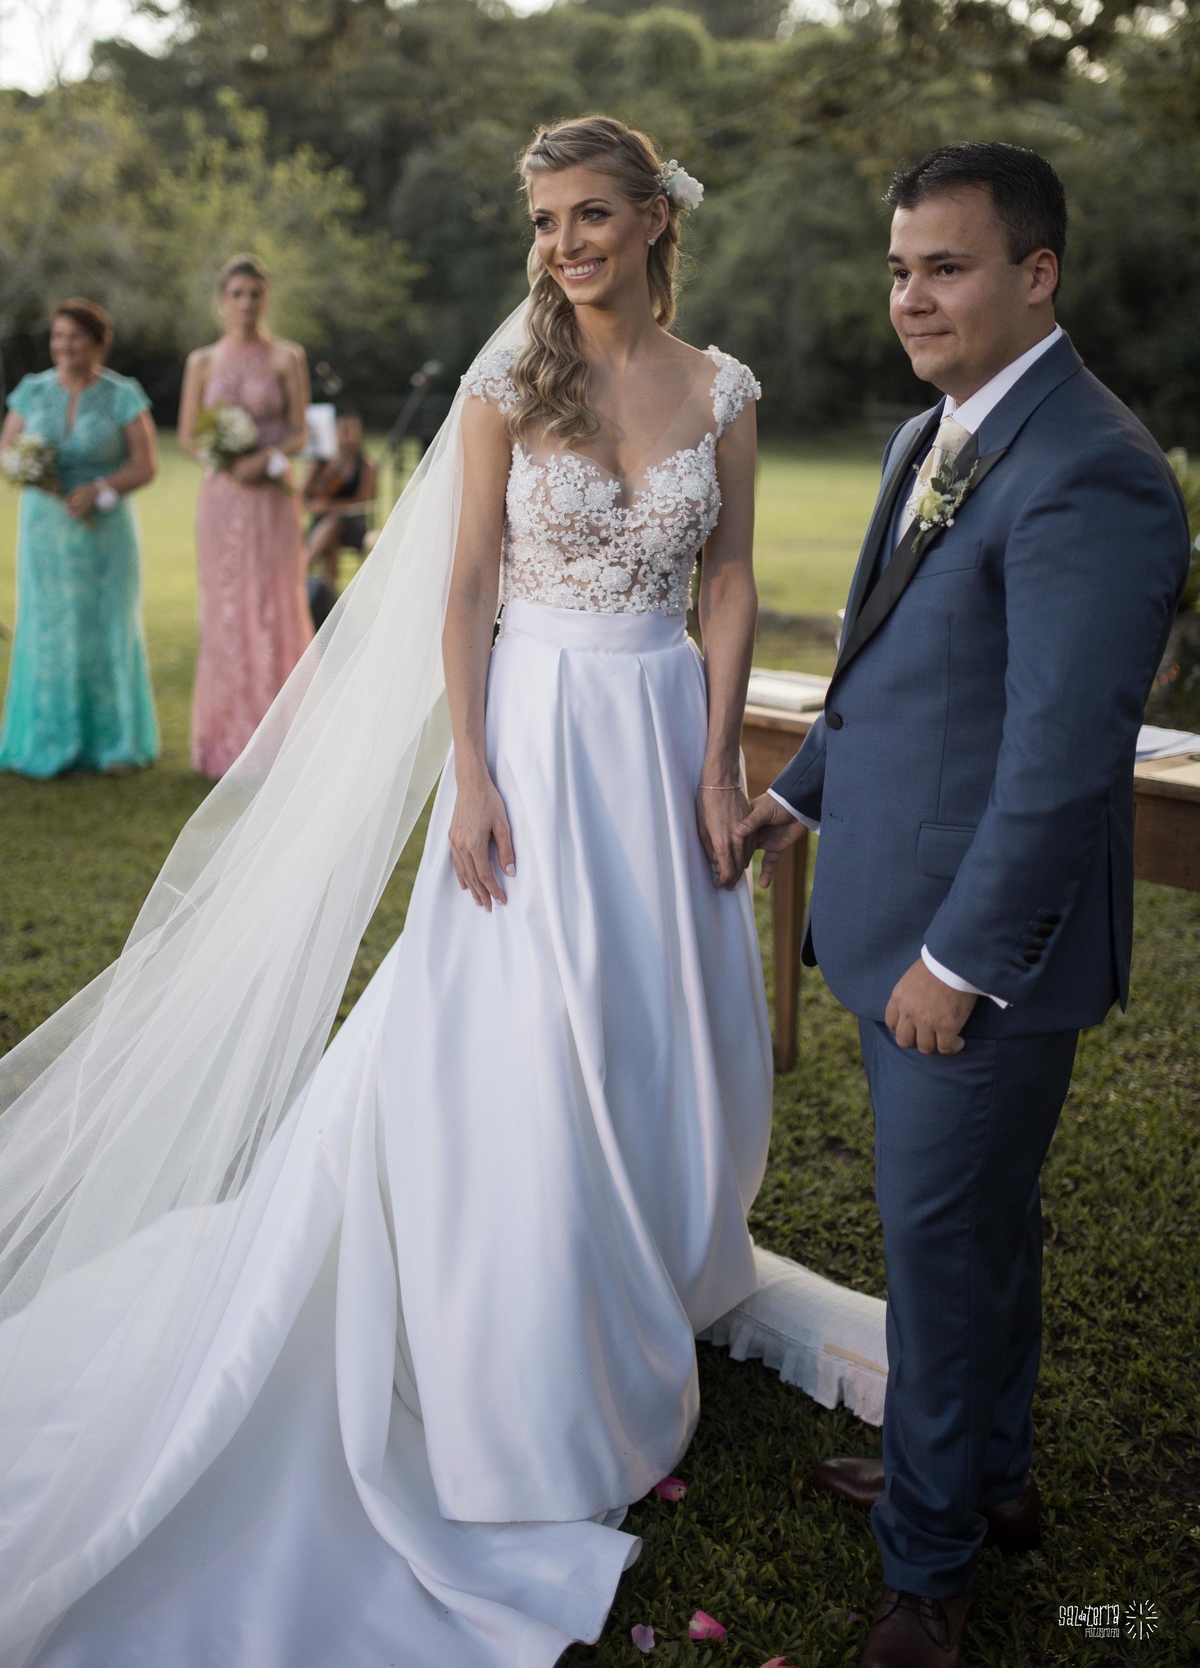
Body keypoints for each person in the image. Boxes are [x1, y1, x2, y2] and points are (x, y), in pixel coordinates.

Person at [0, 117, 774, 1667]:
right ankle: (515, 1340)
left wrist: (715, 758)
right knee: (508, 1049)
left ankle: (634, 1290)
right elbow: (471, 584)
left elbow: (732, 576)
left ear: (655, 221)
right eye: (547, 221)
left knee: (650, 1036)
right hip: (537, 744)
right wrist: (473, 774)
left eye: (591, 215)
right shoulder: (508, 387)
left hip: (658, 735)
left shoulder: (726, 390)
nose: (564, 245)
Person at [737, 142, 1191, 1668]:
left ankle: (925, 1574)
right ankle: (986, 1484)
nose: (911, 297)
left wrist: (960, 962)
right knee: (981, 1237)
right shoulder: (931, 436)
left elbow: (1067, 766)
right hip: (887, 911)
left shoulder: (1096, 471)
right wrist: (792, 794)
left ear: (1036, 273)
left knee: (938, 1250)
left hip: (968, 961)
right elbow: (891, 678)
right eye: (899, 267)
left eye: (947, 266)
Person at [0, 299, 158, 778]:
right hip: (45, 531)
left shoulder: (122, 394)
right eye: (58, 337)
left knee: (107, 628)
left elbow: (146, 464)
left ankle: (115, 742)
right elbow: (6, 451)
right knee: (48, 628)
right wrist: (32, 473)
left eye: (75, 337)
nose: (64, 346)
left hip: (105, 535)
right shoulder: (31, 392)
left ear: (98, 342)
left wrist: (101, 489)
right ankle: (48, 738)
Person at [178, 253, 314, 779]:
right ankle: (226, 737)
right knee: (226, 606)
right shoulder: (202, 362)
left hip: (271, 497)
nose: (246, 303)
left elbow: (301, 430)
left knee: (272, 601)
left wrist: (267, 459)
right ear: (221, 302)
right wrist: (226, 459)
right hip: (221, 498)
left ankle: (279, 734)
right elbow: (188, 437)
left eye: (255, 293)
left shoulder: (286, 357)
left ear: (266, 298)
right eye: (237, 294)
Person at [303, 407, 377, 625]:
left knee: (333, 525)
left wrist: (329, 508)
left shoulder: (366, 464)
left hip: (353, 522)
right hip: (324, 524)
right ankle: (327, 597)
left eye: (353, 431)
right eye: (343, 431)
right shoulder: (323, 462)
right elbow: (303, 495)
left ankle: (303, 568)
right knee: (331, 535)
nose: (349, 436)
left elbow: (363, 501)